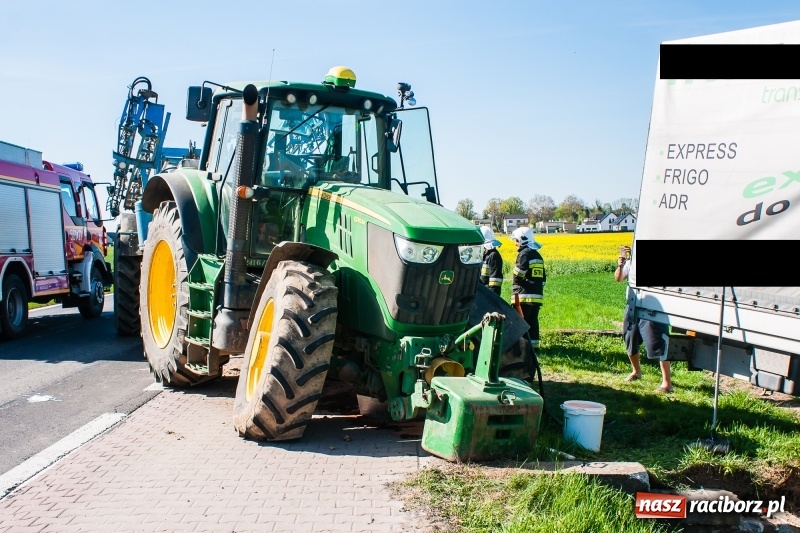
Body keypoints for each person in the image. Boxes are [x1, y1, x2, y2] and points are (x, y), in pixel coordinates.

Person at [615, 245, 673, 393]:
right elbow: (618, 278)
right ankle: (636, 372)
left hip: (652, 308)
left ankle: (667, 384)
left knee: (658, 343)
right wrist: (620, 265)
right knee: (630, 339)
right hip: (633, 305)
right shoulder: (631, 262)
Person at [510, 226, 545, 349]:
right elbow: (543, 279)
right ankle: (534, 349)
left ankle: (522, 350)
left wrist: (515, 282)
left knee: (521, 323)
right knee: (533, 323)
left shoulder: (524, 254)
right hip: (537, 297)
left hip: (523, 297)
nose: (515, 244)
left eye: (517, 241)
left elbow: (518, 275)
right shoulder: (538, 256)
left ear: (523, 240)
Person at [478, 226, 504, 296]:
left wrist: (492, 297)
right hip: (483, 293)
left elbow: (495, 282)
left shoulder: (493, 255)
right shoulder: (485, 255)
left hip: (488, 295)